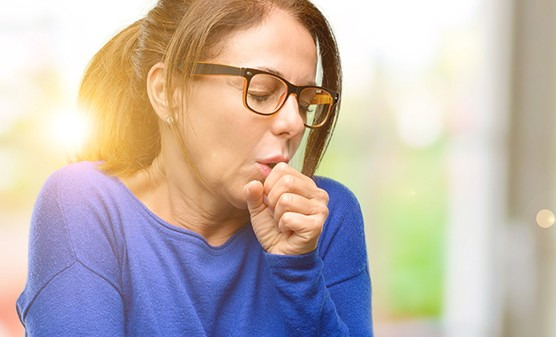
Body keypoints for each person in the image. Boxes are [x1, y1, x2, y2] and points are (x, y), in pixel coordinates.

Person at [17, 0, 372, 335]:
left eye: (306, 102)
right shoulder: (84, 203)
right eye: (262, 92)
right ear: (167, 90)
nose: (294, 123)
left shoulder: (327, 218)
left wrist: (299, 273)